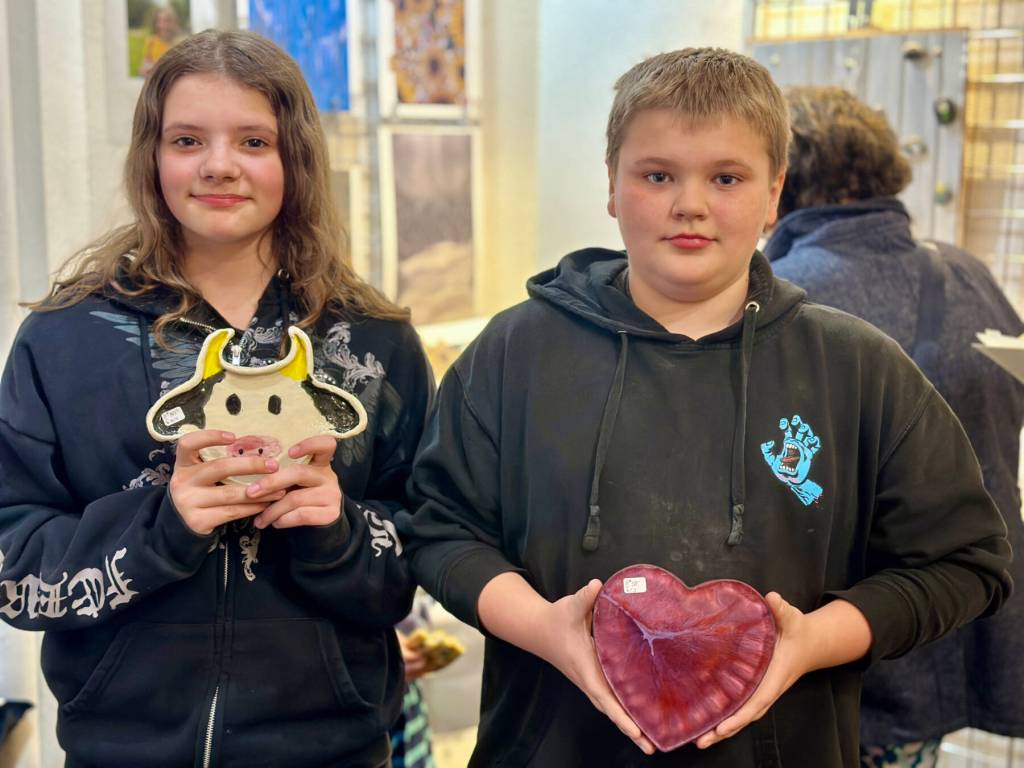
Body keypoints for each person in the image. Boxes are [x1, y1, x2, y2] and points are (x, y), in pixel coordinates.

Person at [396, 48, 1013, 767]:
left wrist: (815, 640)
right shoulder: (514, 353)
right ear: (612, 186)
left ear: (776, 193)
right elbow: (438, 528)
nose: (690, 204)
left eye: (727, 177)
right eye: (658, 175)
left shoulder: (858, 370)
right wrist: (544, 628)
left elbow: (966, 562)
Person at [0, 30, 432, 768]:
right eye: (188, 139)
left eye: (254, 141)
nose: (220, 166)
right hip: (121, 750)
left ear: (294, 157)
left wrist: (337, 532)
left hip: (332, 747)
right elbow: (15, 574)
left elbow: (422, 554)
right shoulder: (65, 339)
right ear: (152, 156)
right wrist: (159, 527)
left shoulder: (374, 343)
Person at [766, 85, 1024, 768]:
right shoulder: (963, 270)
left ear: (779, 179)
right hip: (964, 616)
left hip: (851, 644)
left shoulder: (784, 293)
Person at [139, 6, 185, 78]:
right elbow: (143, 69)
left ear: (174, 22)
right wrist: (145, 70)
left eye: (166, 21)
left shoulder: (181, 43)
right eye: (159, 21)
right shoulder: (151, 42)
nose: (162, 25)